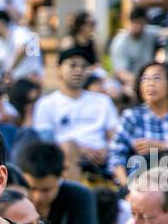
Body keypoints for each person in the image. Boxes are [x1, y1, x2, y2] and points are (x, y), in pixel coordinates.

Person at [31, 48, 120, 180]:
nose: (79, 70)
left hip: (101, 160)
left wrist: (106, 150)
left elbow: (114, 136)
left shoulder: (103, 101)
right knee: (68, 147)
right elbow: (46, 142)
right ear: (59, 69)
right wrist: (79, 150)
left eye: (84, 67)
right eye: (72, 65)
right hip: (63, 162)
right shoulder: (46, 104)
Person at [15, 142, 99, 224]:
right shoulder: (12, 200)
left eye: (46, 190)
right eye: (32, 188)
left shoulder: (81, 196)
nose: (38, 197)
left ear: (61, 177)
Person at [108, 7, 168, 97]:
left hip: (148, 78)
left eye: (140, 23)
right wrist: (144, 82)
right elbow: (121, 73)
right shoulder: (120, 42)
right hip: (128, 83)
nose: (137, 27)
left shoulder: (148, 32)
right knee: (129, 92)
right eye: (135, 23)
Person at [0, 10, 43, 85]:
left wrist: (8, 71)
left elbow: (22, 50)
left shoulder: (21, 31)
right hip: (10, 83)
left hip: (29, 80)